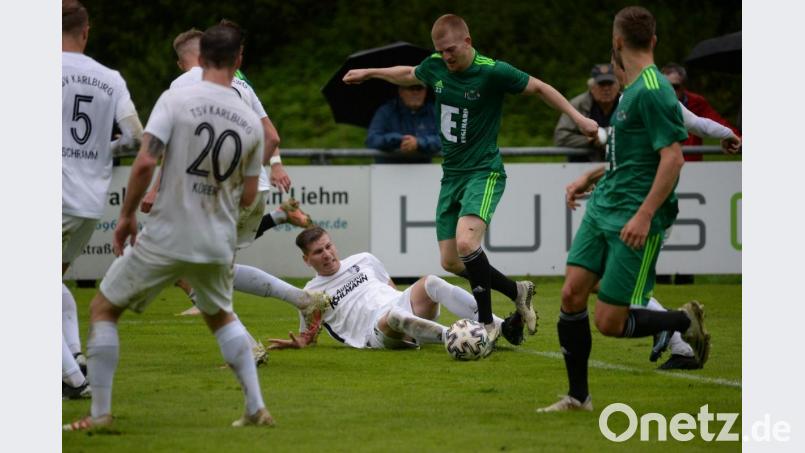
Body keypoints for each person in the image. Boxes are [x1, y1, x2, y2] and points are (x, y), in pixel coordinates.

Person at [63, 22, 274, 431]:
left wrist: (126, 217)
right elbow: (249, 196)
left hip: (169, 231)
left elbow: (145, 161)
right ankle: (255, 407)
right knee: (222, 316)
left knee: (103, 308)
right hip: (215, 238)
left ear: (196, 56)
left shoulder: (176, 98)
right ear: (239, 60)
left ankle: (100, 414)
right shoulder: (249, 121)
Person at [343, 14, 598, 345]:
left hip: (483, 170)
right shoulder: (435, 66)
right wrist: (370, 73)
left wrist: (578, 118)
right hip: (452, 175)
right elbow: (408, 74)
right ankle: (516, 290)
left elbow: (539, 87)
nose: (446, 56)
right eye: (441, 51)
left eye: (450, 49)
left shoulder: (493, 71)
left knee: (467, 244)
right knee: (450, 260)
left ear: (467, 42)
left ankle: (487, 323)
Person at [538, 6, 710, 413]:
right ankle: (578, 397)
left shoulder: (653, 90)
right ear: (653, 40)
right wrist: (590, 178)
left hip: (633, 216)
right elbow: (632, 157)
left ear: (616, 43)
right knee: (571, 294)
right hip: (603, 207)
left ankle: (682, 322)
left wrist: (645, 214)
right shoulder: (630, 89)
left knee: (610, 323)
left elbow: (672, 158)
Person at [608, 53, 739, 370]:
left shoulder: (648, 95)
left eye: (614, 65)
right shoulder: (635, 97)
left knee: (626, 290)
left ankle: (677, 333)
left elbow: (684, 134)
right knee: (608, 283)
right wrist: (728, 135)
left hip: (644, 207)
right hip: (630, 204)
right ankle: (676, 335)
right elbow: (695, 123)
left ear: (619, 67)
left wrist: (730, 135)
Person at [61, 0, 143, 399]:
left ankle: (73, 380)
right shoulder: (109, 77)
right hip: (90, 199)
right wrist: (100, 150)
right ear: (86, 31)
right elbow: (135, 137)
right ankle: (74, 355)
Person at [267, 227, 515, 351]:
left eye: (328, 246)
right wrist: (300, 342)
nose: (327, 254)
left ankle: (501, 326)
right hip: (375, 333)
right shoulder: (310, 293)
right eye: (318, 252)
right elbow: (308, 335)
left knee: (431, 282)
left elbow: (393, 290)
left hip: (402, 308)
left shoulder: (364, 259)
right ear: (306, 260)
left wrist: (407, 303)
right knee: (393, 316)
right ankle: (455, 339)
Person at [661, 62, 741, 161]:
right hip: (665, 164)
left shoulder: (696, 102)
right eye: (665, 86)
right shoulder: (656, 102)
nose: (670, 91)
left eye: (675, 86)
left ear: (683, 86)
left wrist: (736, 137)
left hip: (693, 163)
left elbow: (714, 122)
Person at [554, 64, 621, 162]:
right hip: (582, 166)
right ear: (592, 88)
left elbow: (637, 131)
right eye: (601, 84)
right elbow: (561, 137)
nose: (606, 88)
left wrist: (605, 135)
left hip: (621, 166)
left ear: (617, 86)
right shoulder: (577, 105)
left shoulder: (627, 102)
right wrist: (590, 140)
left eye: (610, 83)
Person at [365, 84, 441, 163]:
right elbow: (372, 139)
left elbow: (445, 140)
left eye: (419, 89)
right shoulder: (385, 111)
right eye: (410, 88)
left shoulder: (434, 112)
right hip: (388, 170)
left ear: (425, 91)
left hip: (424, 171)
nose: (415, 92)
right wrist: (400, 140)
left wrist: (419, 143)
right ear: (400, 91)